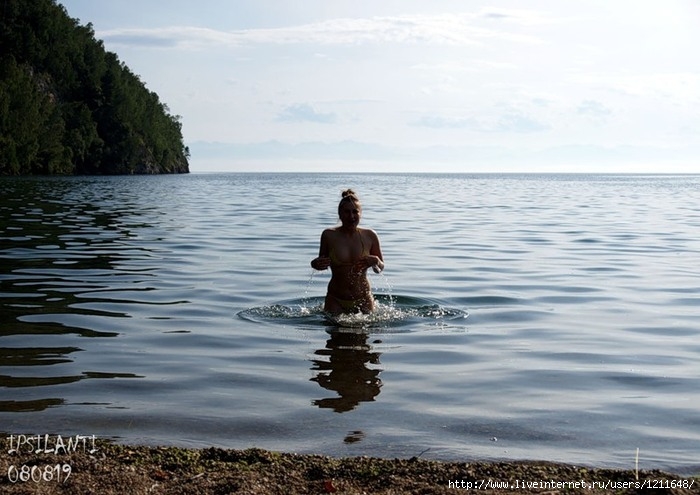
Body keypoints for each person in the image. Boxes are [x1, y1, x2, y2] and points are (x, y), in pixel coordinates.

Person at [311, 189, 384, 315]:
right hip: (335, 299)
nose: (351, 216)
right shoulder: (329, 235)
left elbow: (380, 268)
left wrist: (376, 261)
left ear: (360, 214)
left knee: (366, 332)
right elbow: (321, 264)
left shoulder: (370, 235)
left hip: (364, 298)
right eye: (347, 212)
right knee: (335, 332)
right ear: (339, 214)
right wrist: (315, 264)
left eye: (355, 212)